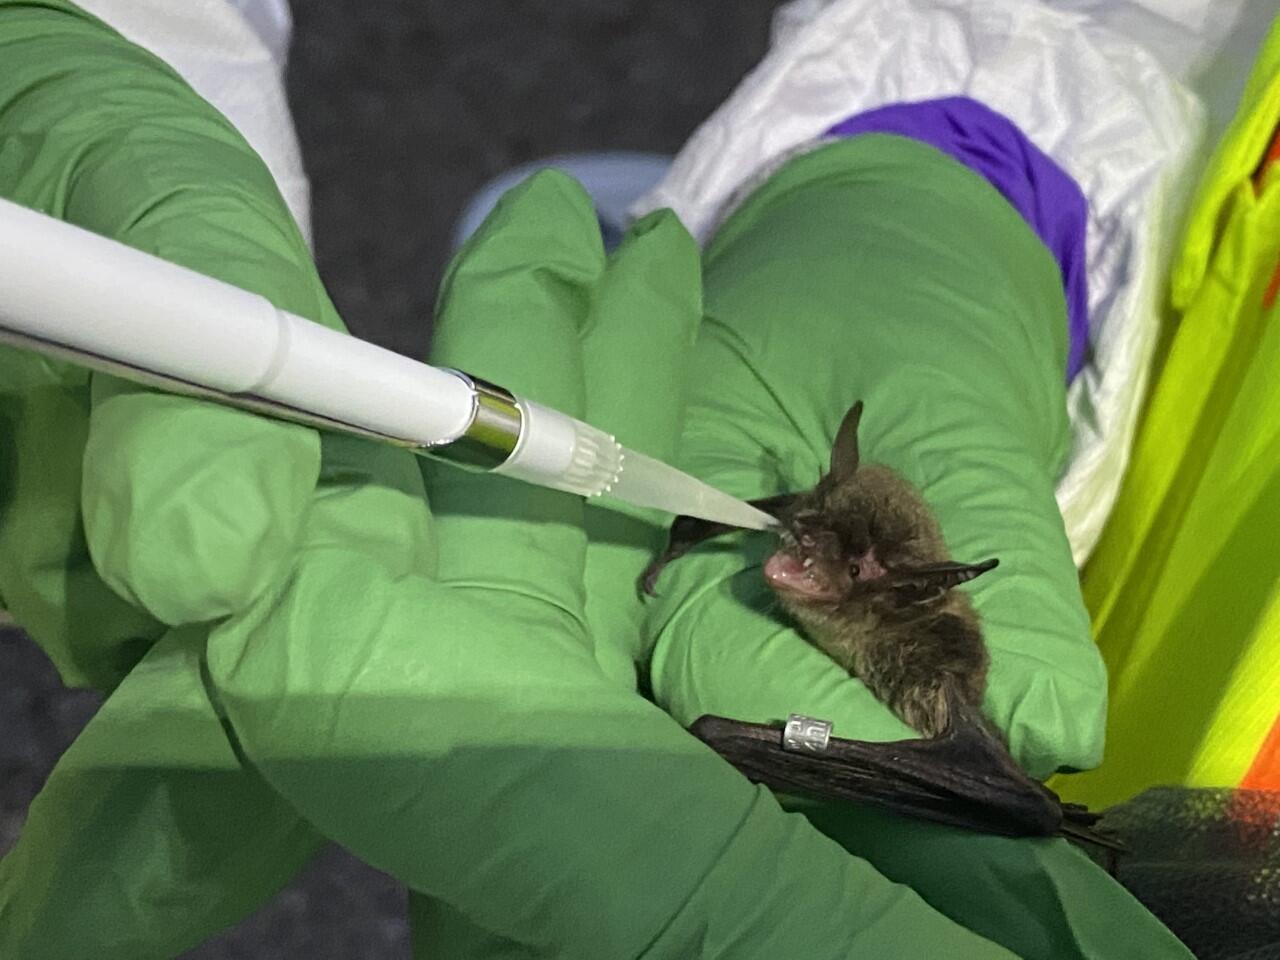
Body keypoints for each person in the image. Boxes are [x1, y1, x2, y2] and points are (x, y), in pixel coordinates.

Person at [0, 2, 1198, 958]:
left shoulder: (925, 657)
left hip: (988, 713)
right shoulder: (817, 543)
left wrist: (961, 152)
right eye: (797, 542)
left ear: (871, 586)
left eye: (814, 567)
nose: (784, 565)